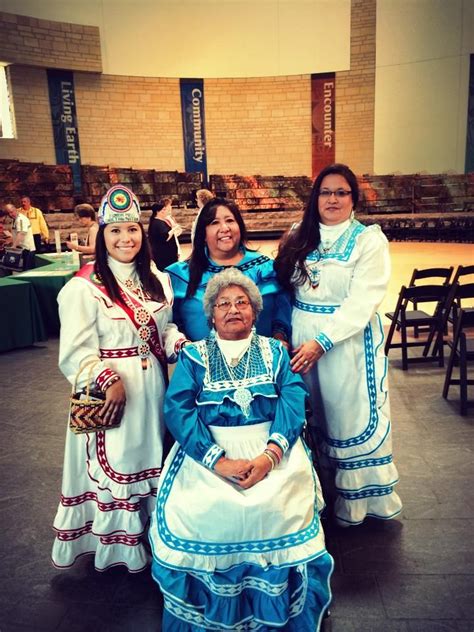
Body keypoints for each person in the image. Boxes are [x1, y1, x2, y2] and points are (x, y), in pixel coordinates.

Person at [149, 268, 333, 631]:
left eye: (242, 302)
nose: (233, 309)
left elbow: (293, 401)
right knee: (203, 508)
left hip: (271, 448)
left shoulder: (276, 353)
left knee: (277, 504)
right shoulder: (194, 356)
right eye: (223, 304)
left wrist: (269, 457)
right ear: (211, 314)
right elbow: (178, 408)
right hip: (209, 452)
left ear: (255, 311)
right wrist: (218, 462)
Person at [51, 184, 188, 572]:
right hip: (109, 392)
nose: (124, 238)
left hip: (152, 389)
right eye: (115, 231)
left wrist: (180, 346)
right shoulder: (84, 287)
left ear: (142, 234)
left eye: (131, 230)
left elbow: (165, 329)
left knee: (148, 459)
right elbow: (75, 353)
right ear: (102, 236)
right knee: (119, 463)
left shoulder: (157, 279)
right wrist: (107, 378)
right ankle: (117, 546)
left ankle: (150, 533)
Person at [274, 163, 402, 528]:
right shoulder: (299, 234)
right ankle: (316, 494)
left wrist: (323, 341)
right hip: (302, 339)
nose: (333, 199)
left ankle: (358, 504)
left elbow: (363, 300)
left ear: (353, 199)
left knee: (348, 415)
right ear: (316, 198)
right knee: (312, 414)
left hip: (345, 343)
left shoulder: (368, 240)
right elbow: (282, 285)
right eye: (326, 192)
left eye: (341, 192)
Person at [166, 197, 291, 343]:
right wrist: (186, 347)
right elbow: (169, 324)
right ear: (203, 234)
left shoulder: (268, 269)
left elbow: (283, 311)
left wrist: (280, 338)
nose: (225, 228)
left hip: (262, 361)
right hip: (202, 362)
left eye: (230, 220)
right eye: (214, 222)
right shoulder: (178, 275)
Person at [148, 199, 181, 270]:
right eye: (162, 210)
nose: (164, 211)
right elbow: (165, 237)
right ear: (157, 211)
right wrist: (174, 229)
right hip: (164, 254)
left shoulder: (160, 221)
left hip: (169, 253)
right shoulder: (157, 222)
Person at [4, 202, 36, 269]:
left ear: (15, 209)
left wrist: (13, 247)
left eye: (11, 212)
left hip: (27, 249)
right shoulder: (15, 219)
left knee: (28, 271)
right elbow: (16, 233)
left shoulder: (21, 219)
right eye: (8, 213)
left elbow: (21, 234)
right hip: (22, 249)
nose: (10, 214)